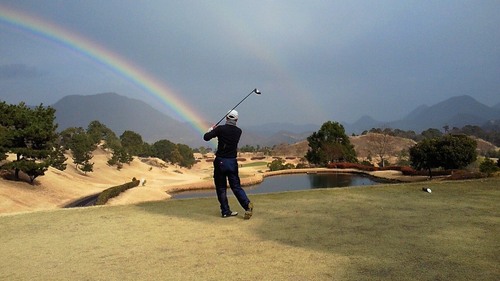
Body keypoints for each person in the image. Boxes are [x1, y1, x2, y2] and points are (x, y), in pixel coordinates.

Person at [203, 110, 253, 219]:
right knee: (236, 187)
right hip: (232, 162)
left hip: (220, 161)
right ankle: (247, 205)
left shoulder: (220, 129)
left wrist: (211, 130)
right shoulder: (238, 131)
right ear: (236, 120)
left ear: (226, 118)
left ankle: (225, 211)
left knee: (221, 188)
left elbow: (206, 137)